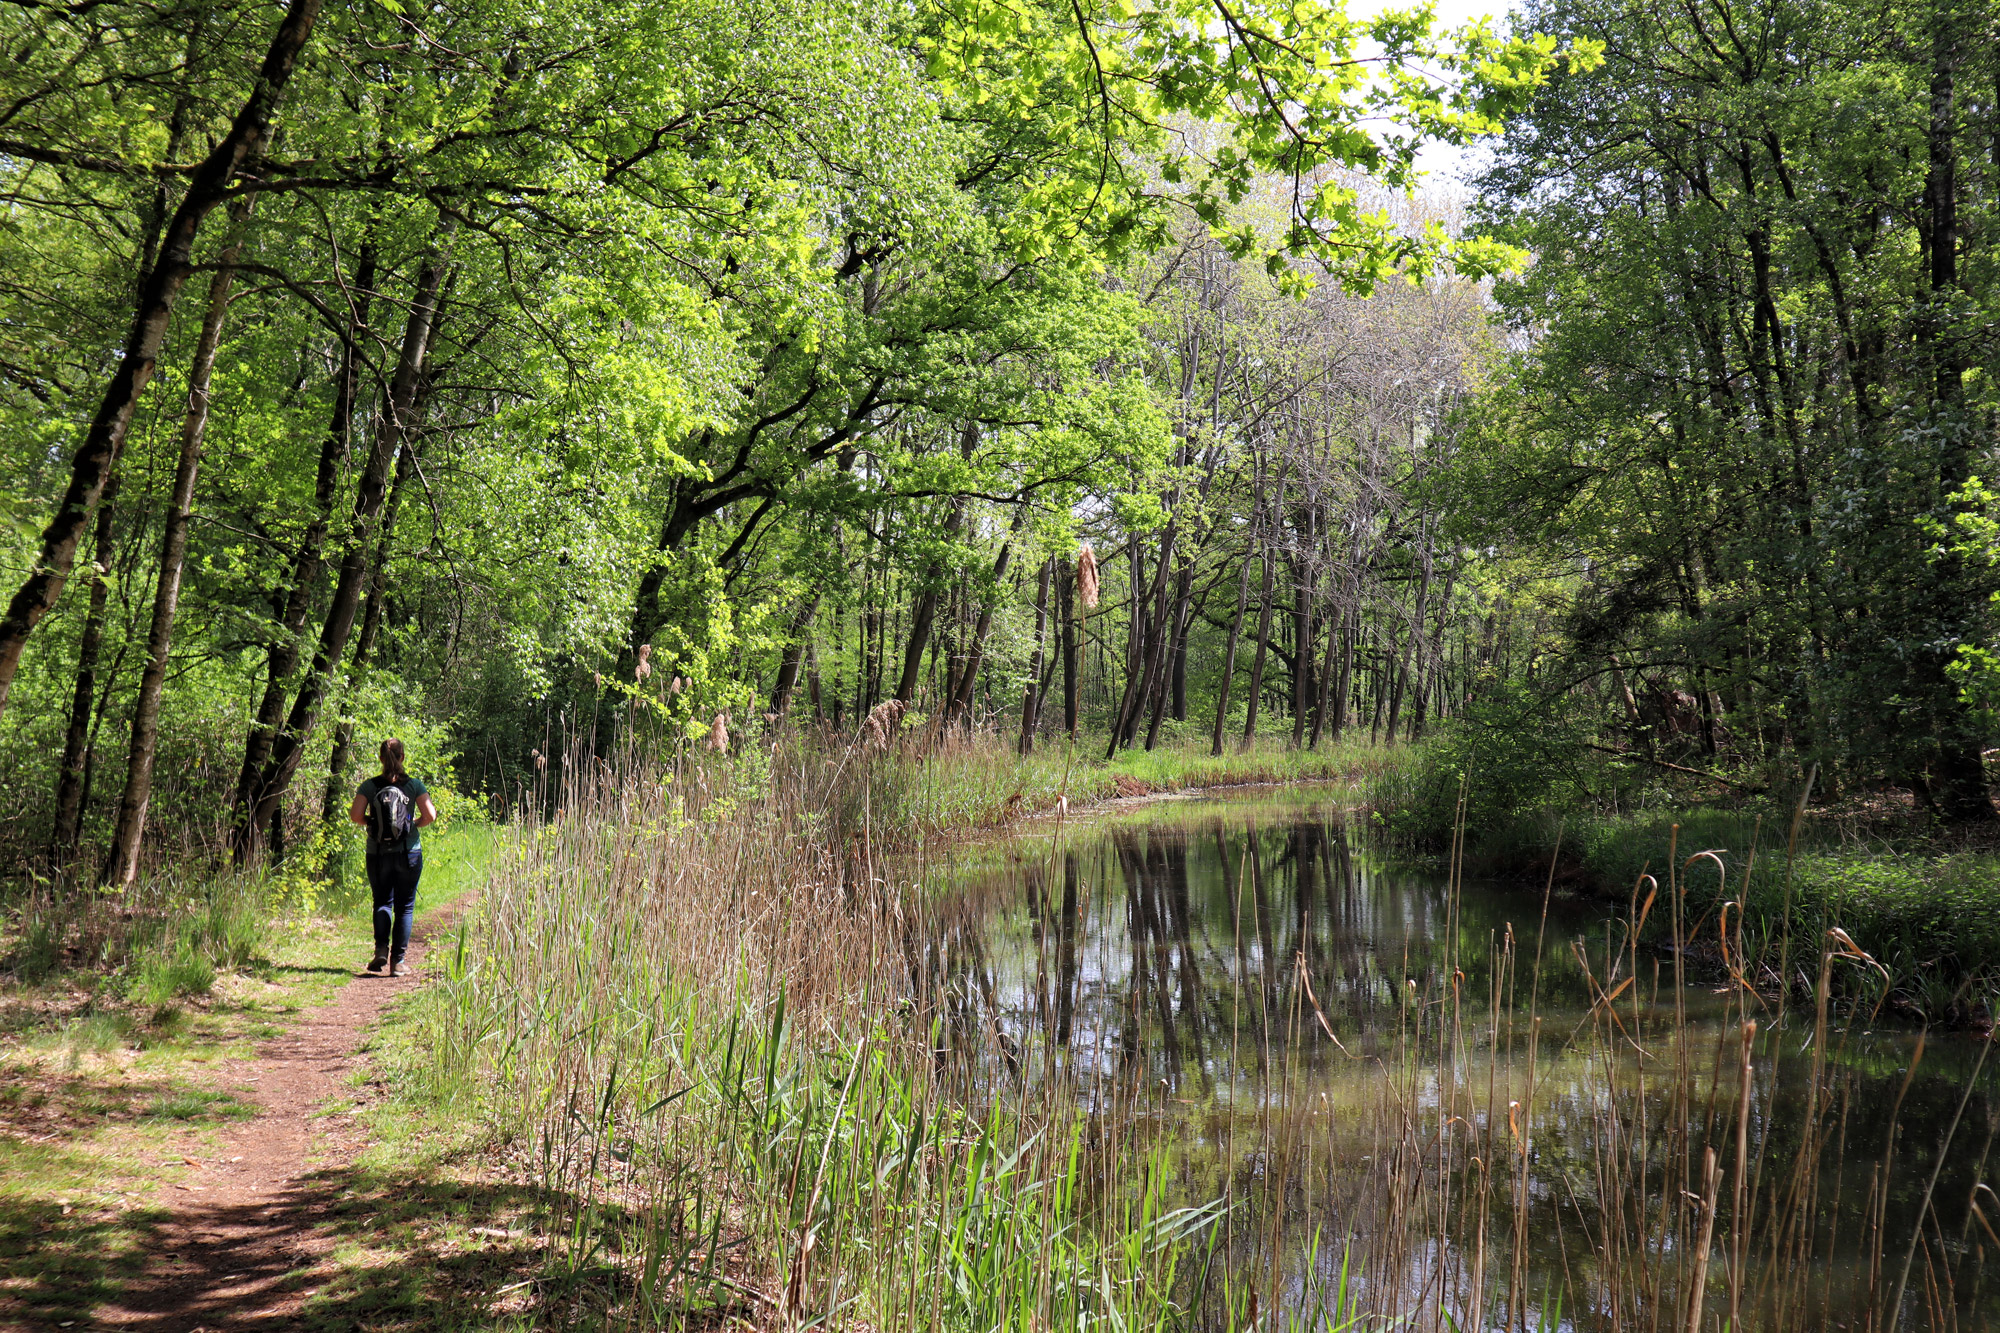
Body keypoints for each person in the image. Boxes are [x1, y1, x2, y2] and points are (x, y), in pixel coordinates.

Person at [348, 738, 437, 976]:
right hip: (409, 853)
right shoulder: (414, 785)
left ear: (380, 758)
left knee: (382, 902)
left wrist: (373, 823)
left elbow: (355, 815)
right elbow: (430, 815)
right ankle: (398, 962)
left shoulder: (370, 786)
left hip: (377, 853)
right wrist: (412, 825)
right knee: (405, 907)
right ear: (402, 757)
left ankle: (379, 951)